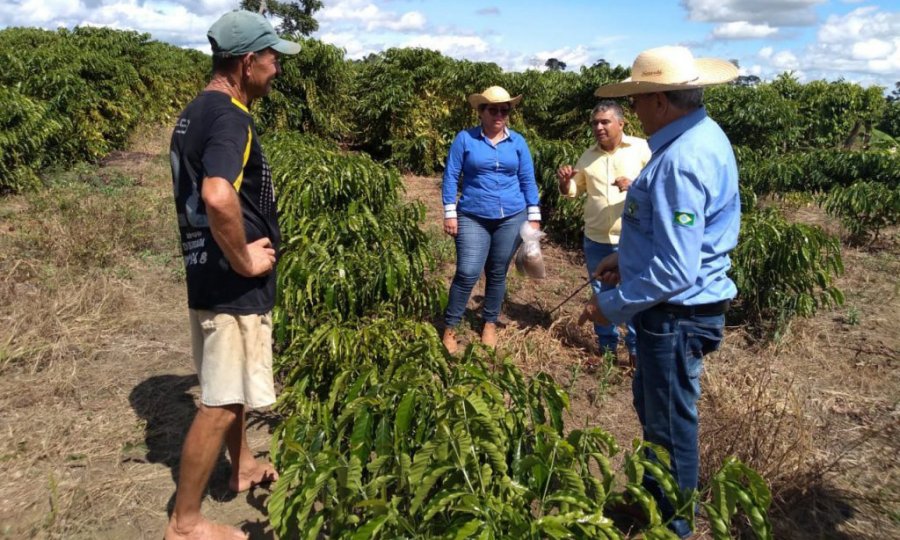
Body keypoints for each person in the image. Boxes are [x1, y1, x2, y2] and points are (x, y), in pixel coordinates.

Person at [583, 46, 740, 538]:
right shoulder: (697, 138)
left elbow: (675, 269)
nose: (633, 112)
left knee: (670, 429)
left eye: (638, 99)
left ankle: (673, 528)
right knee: (657, 417)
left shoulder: (681, 160)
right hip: (673, 311)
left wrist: (610, 306)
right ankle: (655, 506)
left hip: (674, 315)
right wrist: (624, 258)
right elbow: (669, 242)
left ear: (657, 101)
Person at [166, 10, 301, 540]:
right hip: (230, 282)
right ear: (247, 63)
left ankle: (242, 464)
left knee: (231, 385)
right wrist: (245, 258)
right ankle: (185, 523)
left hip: (205, 273)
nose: (276, 71)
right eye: (271, 61)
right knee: (220, 402)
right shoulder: (231, 118)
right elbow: (217, 193)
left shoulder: (195, 112)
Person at [441, 86, 541, 353]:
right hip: (473, 215)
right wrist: (450, 212)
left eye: (504, 110)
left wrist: (534, 215)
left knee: (497, 272)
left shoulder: (517, 142)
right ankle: (450, 326)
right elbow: (451, 175)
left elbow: (527, 179)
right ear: (481, 111)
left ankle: (489, 322)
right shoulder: (465, 139)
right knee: (467, 272)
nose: (499, 114)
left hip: (511, 216)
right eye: (493, 109)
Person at [556, 101, 650, 369]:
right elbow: (574, 190)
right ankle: (606, 349)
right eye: (595, 123)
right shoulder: (588, 156)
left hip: (632, 238)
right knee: (601, 293)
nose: (598, 127)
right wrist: (565, 183)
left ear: (621, 123)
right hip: (597, 238)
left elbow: (660, 185)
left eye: (605, 122)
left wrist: (636, 186)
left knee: (634, 294)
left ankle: (635, 352)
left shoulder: (642, 149)